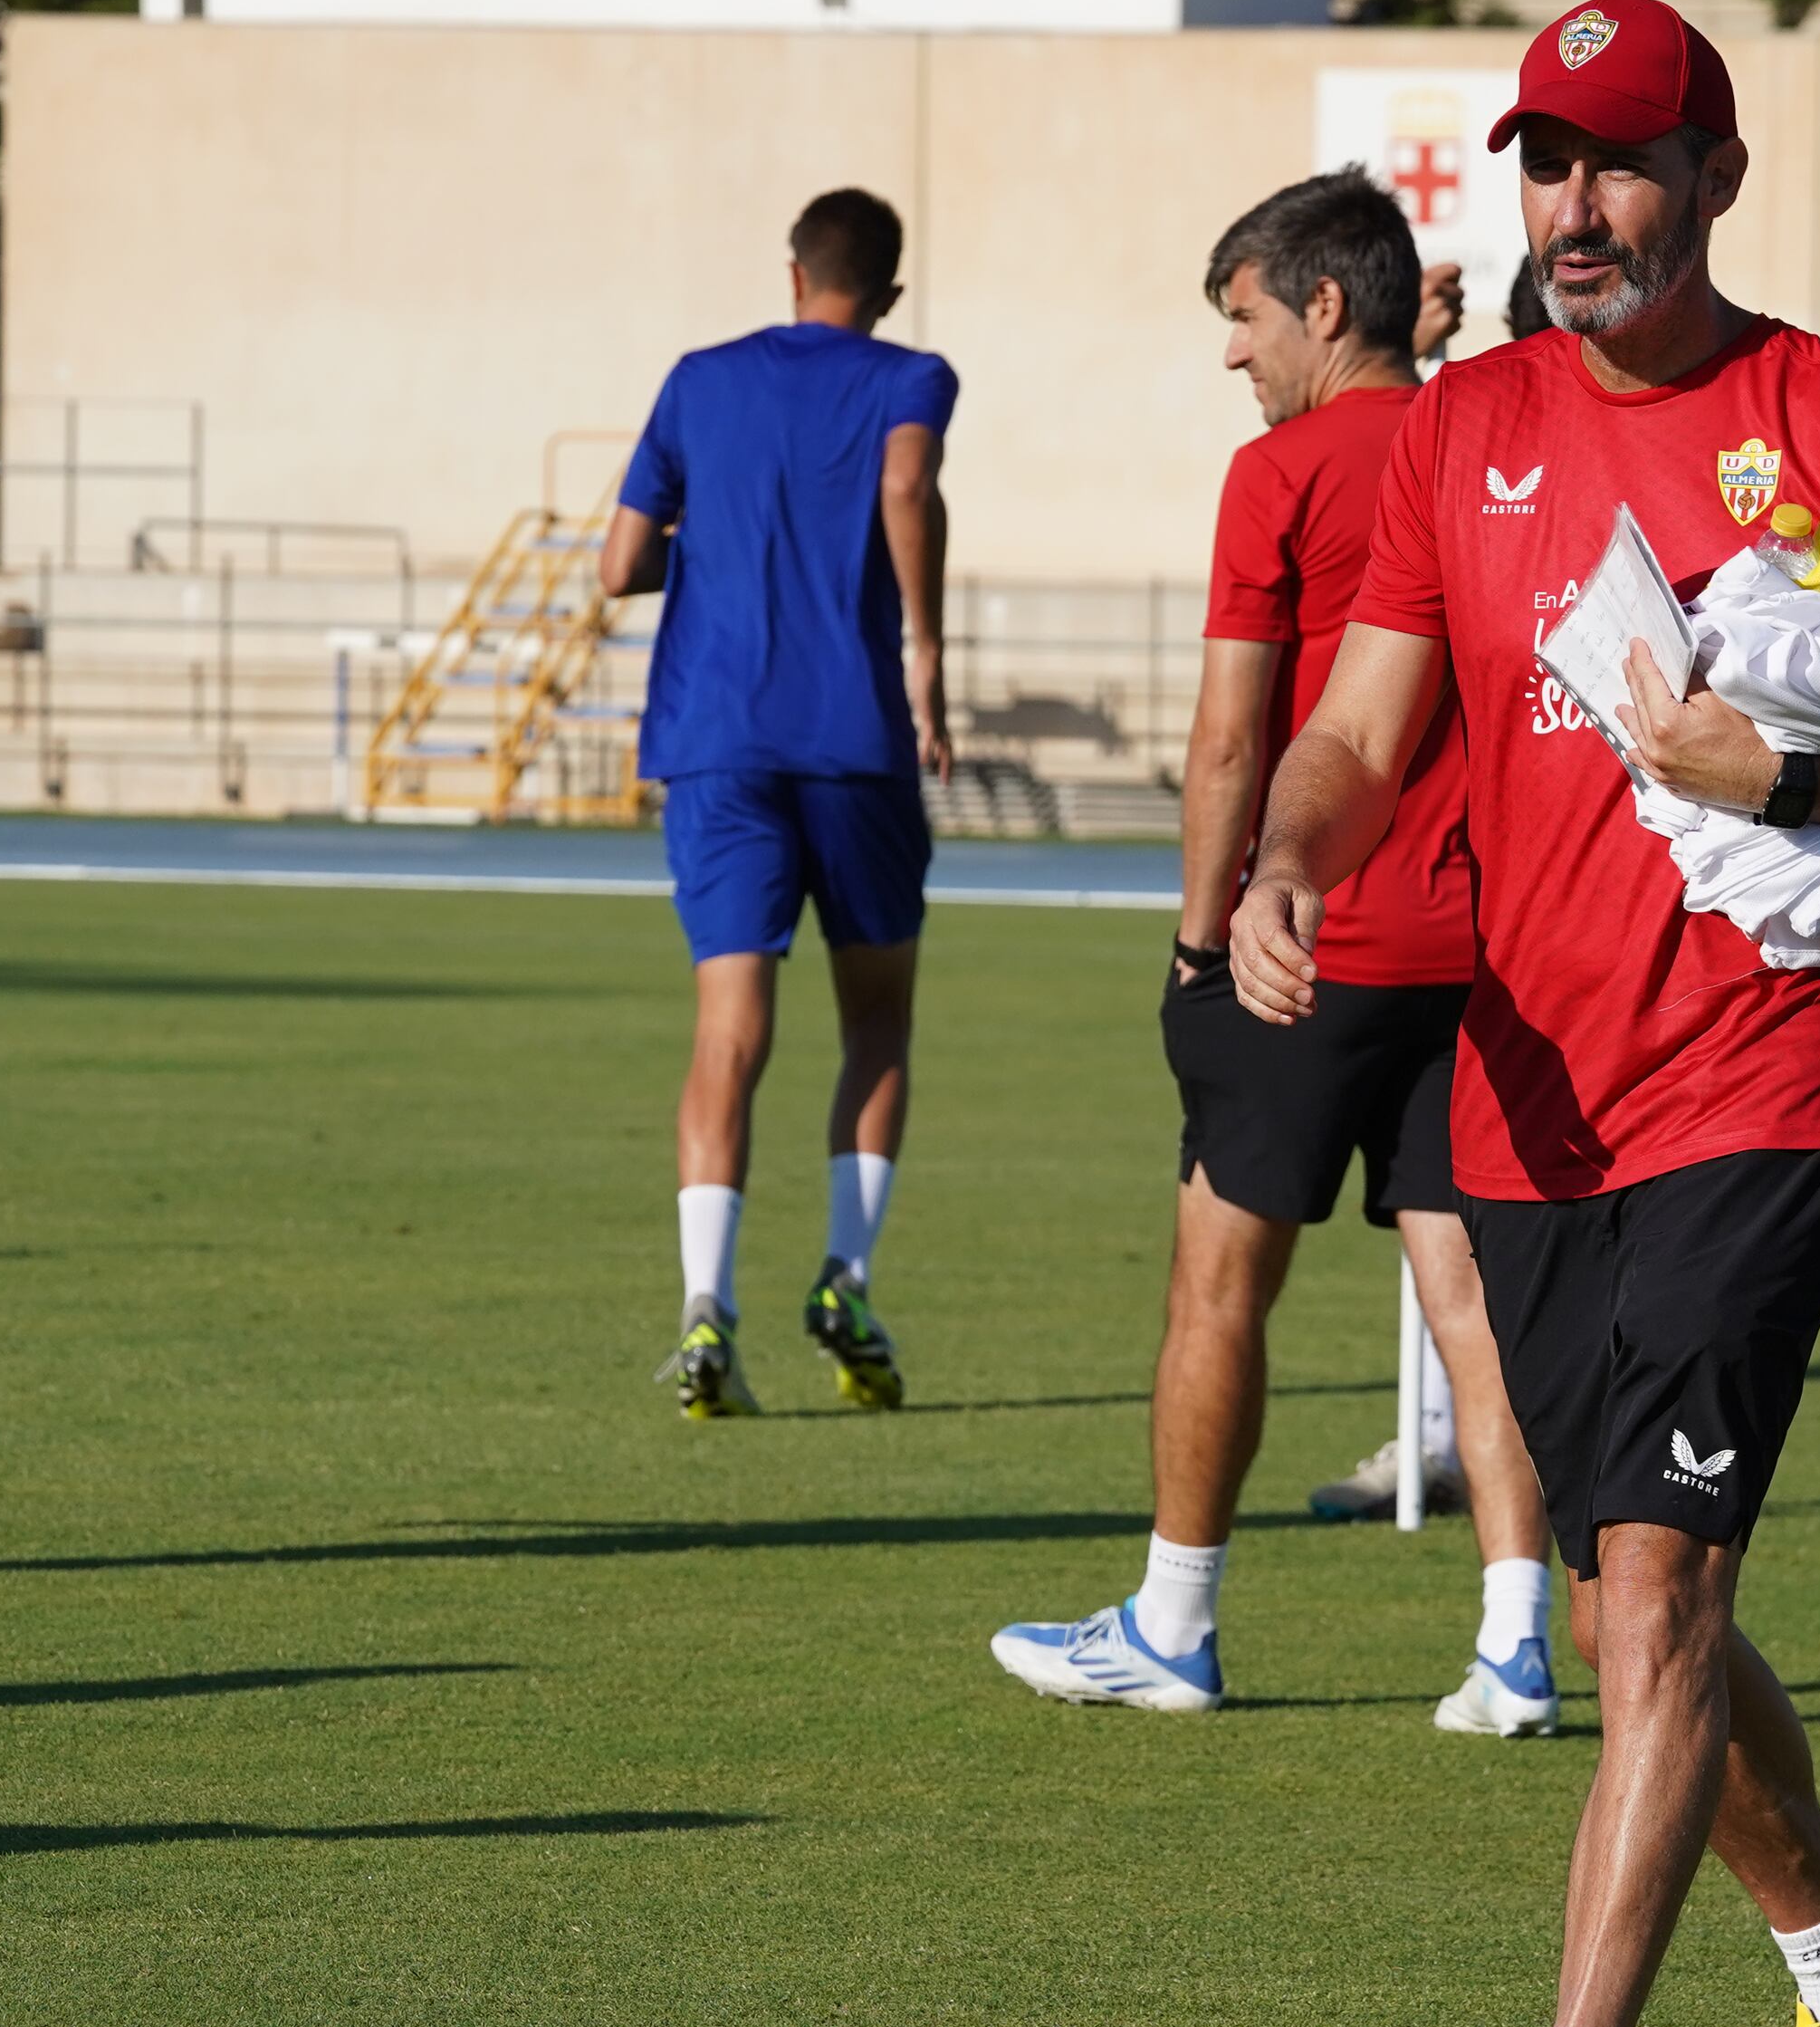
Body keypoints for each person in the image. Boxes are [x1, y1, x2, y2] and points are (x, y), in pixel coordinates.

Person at [1231, 0, 1820, 2027]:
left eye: (1618, 164)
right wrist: (1293, 859)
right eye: (1542, 164)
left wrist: (1793, 779)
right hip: (1523, 1099)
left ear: (1715, 172)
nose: (1572, 209)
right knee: (1644, 1606)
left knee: (1666, 1587)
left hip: (1765, 1080)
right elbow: (1360, 721)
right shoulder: (1467, 427)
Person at [991, 174, 1561, 1734]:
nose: (1231, 356)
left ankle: (1175, 1621)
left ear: (1322, 305)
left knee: (1219, 1286)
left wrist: (1194, 945)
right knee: (1475, 1301)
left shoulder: (1285, 477)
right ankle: (1516, 1642)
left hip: (1308, 943)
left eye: (1241, 317)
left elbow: (1234, 739)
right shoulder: (1488, 447)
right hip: (1486, 950)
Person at [602, 187, 955, 1418]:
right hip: (854, 739)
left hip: (718, 739)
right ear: (889, 289)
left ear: (793, 271)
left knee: (727, 1032)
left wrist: (694, 540)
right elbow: (907, 489)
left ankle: (707, 1306)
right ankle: (846, 1277)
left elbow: (618, 565)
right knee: (877, 1024)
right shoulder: (911, 376)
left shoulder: (699, 380)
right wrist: (926, 650)